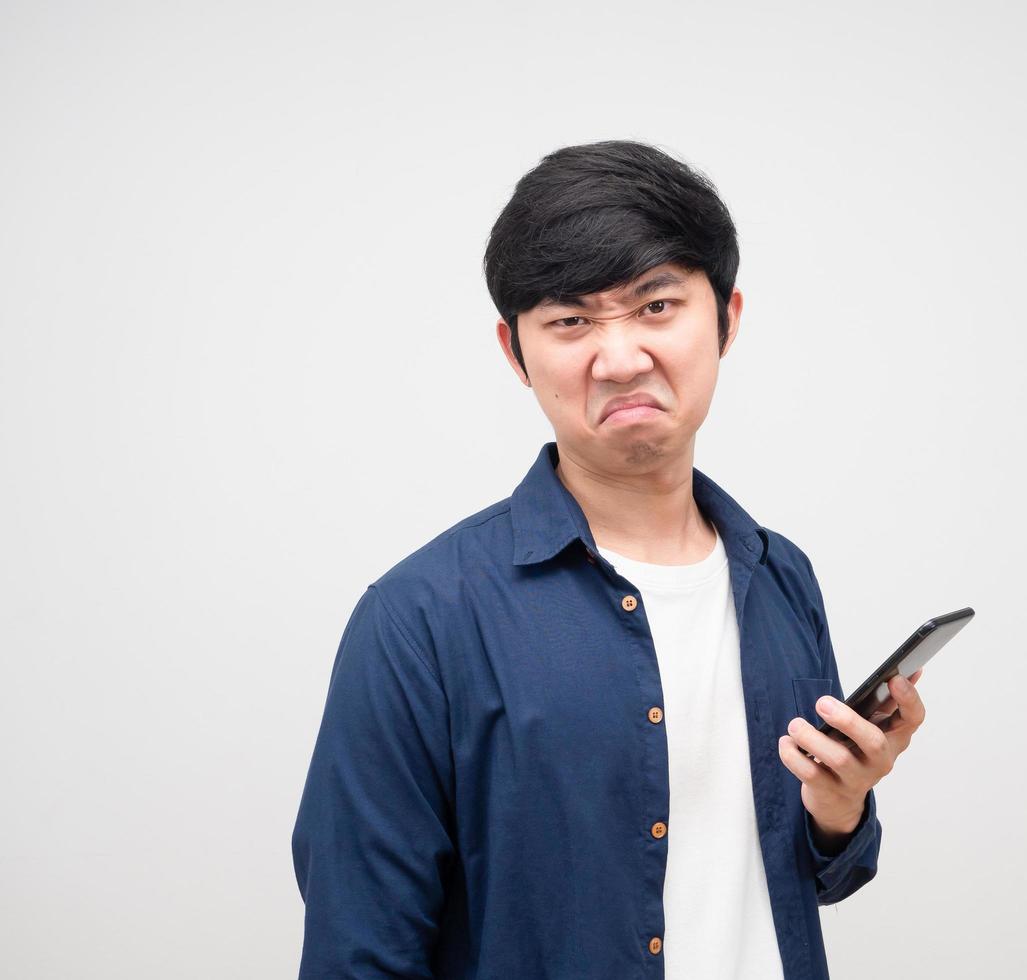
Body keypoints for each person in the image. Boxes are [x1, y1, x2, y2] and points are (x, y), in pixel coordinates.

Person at [291, 139, 926, 979]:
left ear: (727, 318)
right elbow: (358, 952)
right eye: (570, 321)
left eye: (656, 306)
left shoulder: (779, 579)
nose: (620, 357)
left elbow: (808, 874)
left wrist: (839, 806)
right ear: (514, 351)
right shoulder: (418, 619)